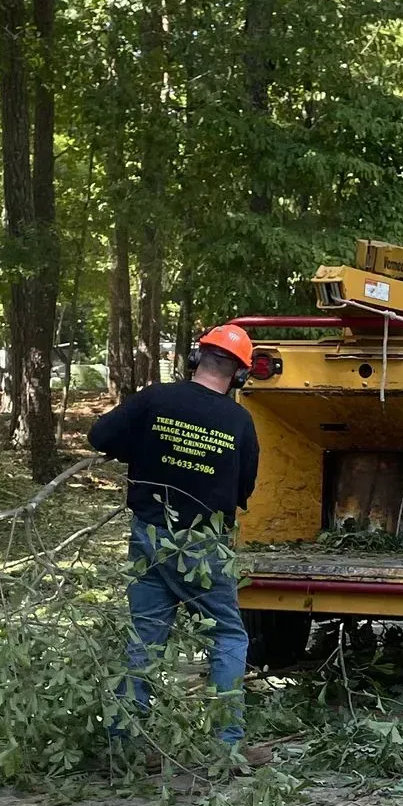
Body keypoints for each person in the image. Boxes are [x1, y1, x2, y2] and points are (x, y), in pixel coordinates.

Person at [89, 322, 265, 765]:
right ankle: (227, 744)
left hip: (149, 536)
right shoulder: (239, 421)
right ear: (240, 375)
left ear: (195, 359)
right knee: (227, 633)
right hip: (203, 545)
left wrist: (150, 451)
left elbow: (100, 436)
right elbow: (244, 489)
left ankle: (125, 744)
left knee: (146, 637)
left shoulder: (156, 398)